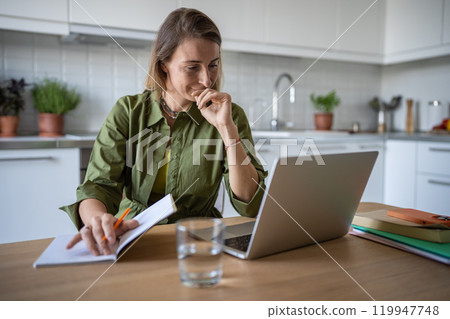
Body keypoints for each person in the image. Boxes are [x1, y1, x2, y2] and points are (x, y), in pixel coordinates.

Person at [61, 8, 267, 256]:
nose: (206, 79)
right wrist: (97, 220)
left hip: (200, 242)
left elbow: (250, 203)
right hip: (133, 236)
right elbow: (98, 186)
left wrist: (227, 131)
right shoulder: (128, 112)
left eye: (213, 65)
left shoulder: (230, 115)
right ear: (163, 65)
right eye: (192, 67)